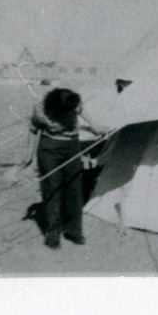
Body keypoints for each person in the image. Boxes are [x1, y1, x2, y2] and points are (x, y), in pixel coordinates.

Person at [26, 88, 104, 249]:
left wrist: (94, 125)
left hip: (72, 147)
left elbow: (82, 109)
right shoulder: (41, 110)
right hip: (50, 148)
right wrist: (28, 156)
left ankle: (74, 231)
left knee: (74, 189)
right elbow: (33, 130)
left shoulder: (72, 100)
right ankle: (53, 234)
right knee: (52, 189)